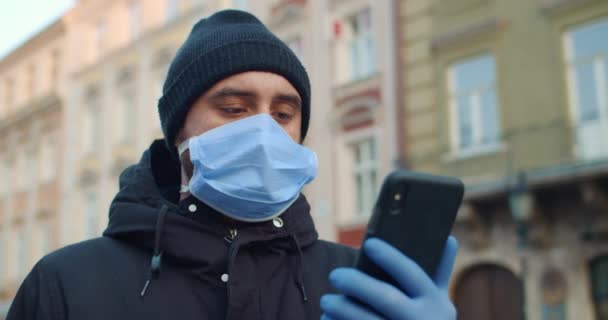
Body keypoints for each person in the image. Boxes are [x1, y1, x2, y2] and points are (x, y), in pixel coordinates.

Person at [7, 10, 458, 320]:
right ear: (179, 131)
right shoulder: (67, 283)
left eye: (283, 114)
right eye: (234, 109)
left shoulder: (352, 283)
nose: (264, 131)